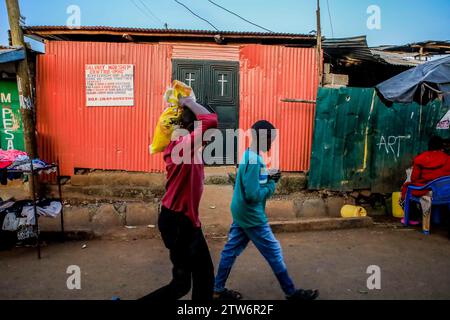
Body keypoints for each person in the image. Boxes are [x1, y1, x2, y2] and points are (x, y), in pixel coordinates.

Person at [213, 120, 319, 301]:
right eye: (271, 140)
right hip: (252, 215)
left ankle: (216, 289)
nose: (272, 144)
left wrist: (268, 174)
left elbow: (251, 181)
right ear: (263, 138)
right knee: (274, 251)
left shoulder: (249, 155)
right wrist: (272, 183)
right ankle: (291, 293)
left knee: (230, 250)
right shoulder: (255, 161)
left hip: (241, 211)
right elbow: (253, 195)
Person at [140, 97, 218, 301]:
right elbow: (210, 120)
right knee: (203, 277)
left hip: (182, 221)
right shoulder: (180, 147)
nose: (211, 136)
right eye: (208, 134)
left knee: (183, 284)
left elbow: (207, 122)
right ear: (194, 127)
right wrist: (188, 102)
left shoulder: (191, 150)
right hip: (178, 222)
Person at [401, 136, 450, 230]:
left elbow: (414, 178)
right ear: (441, 147)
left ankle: (412, 218)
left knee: (406, 188)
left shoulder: (420, 158)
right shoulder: (448, 158)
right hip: (445, 193)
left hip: (427, 191)